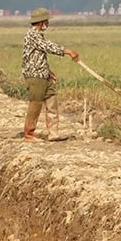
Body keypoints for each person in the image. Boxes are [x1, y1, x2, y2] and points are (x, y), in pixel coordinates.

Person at [22, 8, 79, 141]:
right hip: (35, 76)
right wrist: (67, 51)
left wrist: (48, 70)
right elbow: (47, 46)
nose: (48, 23)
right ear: (41, 22)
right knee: (35, 104)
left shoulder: (38, 35)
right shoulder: (32, 35)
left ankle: (54, 134)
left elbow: (37, 57)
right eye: (46, 21)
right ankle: (29, 134)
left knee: (52, 102)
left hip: (44, 74)